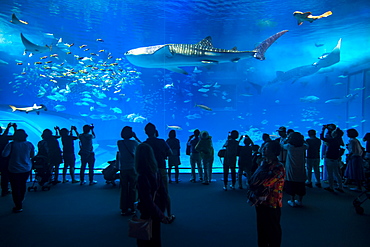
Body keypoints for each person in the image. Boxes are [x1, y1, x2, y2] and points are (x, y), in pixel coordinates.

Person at [247, 140, 285, 247]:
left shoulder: (278, 167)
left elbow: (265, 182)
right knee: (262, 229)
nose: (263, 149)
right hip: (260, 202)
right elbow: (253, 180)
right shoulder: (263, 163)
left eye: (266, 148)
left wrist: (255, 182)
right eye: (263, 147)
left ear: (273, 151)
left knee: (273, 231)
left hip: (272, 203)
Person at [135, 143, 171, 247]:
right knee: (155, 237)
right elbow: (163, 193)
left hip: (147, 212)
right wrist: (161, 212)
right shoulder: (156, 173)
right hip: (157, 210)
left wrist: (159, 214)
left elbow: (147, 200)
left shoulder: (142, 177)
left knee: (144, 239)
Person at [144, 123, 175, 222]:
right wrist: (163, 155)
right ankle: (169, 214)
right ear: (155, 131)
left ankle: (152, 213)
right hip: (161, 169)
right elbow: (170, 153)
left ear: (145, 132)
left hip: (149, 171)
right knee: (165, 191)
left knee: (150, 192)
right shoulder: (162, 141)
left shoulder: (145, 144)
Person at [2, 129, 35, 213]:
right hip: (26, 168)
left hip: (13, 169)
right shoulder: (29, 144)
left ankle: (18, 205)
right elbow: (32, 155)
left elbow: (4, 155)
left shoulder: (11, 145)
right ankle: (21, 199)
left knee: (15, 187)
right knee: (23, 184)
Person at [118, 126, 141, 216]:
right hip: (132, 168)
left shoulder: (119, 143)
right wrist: (135, 137)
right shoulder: (134, 142)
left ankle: (123, 208)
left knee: (124, 188)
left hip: (123, 168)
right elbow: (142, 145)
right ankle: (132, 208)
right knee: (132, 188)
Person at [283, 132, 308, 207]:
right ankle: (300, 200)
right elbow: (307, 145)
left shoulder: (289, 147)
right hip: (300, 168)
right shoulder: (303, 147)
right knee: (301, 184)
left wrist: (287, 139)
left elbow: (282, 144)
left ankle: (292, 200)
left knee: (291, 184)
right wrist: (302, 140)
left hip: (291, 169)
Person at [320, 125, 344, 193]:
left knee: (330, 174)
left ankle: (331, 187)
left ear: (335, 134)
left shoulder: (332, 140)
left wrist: (323, 130)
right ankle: (340, 187)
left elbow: (322, 138)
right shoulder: (339, 140)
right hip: (336, 159)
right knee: (337, 173)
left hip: (329, 158)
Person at [0, 123, 17, 197]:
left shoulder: (3, 137)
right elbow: (16, 137)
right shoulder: (4, 138)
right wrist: (14, 128)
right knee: (4, 175)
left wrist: (7, 128)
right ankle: (4, 190)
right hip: (4, 159)